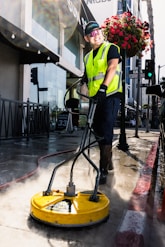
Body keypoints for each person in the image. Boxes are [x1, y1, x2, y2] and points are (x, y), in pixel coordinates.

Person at [82, 21, 122, 185]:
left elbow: (112, 67)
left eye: (98, 31)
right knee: (97, 131)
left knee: (105, 130)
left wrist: (103, 88)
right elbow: (88, 77)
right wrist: (84, 83)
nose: (96, 34)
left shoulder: (111, 48)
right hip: (95, 99)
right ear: (86, 38)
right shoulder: (87, 57)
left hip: (110, 95)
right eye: (92, 33)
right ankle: (109, 161)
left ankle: (103, 169)